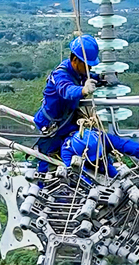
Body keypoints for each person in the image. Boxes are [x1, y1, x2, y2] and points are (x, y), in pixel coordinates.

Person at [34, 35, 102, 173]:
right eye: (87, 64)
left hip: (67, 123)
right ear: (75, 60)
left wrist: (101, 79)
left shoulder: (78, 72)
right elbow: (66, 90)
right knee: (46, 160)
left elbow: (89, 77)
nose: (89, 68)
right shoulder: (61, 75)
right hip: (52, 126)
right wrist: (83, 90)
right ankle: (42, 187)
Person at [59, 129, 139, 181]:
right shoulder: (68, 152)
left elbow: (122, 144)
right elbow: (79, 175)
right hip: (86, 170)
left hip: (105, 165)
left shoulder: (101, 137)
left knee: (119, 179)